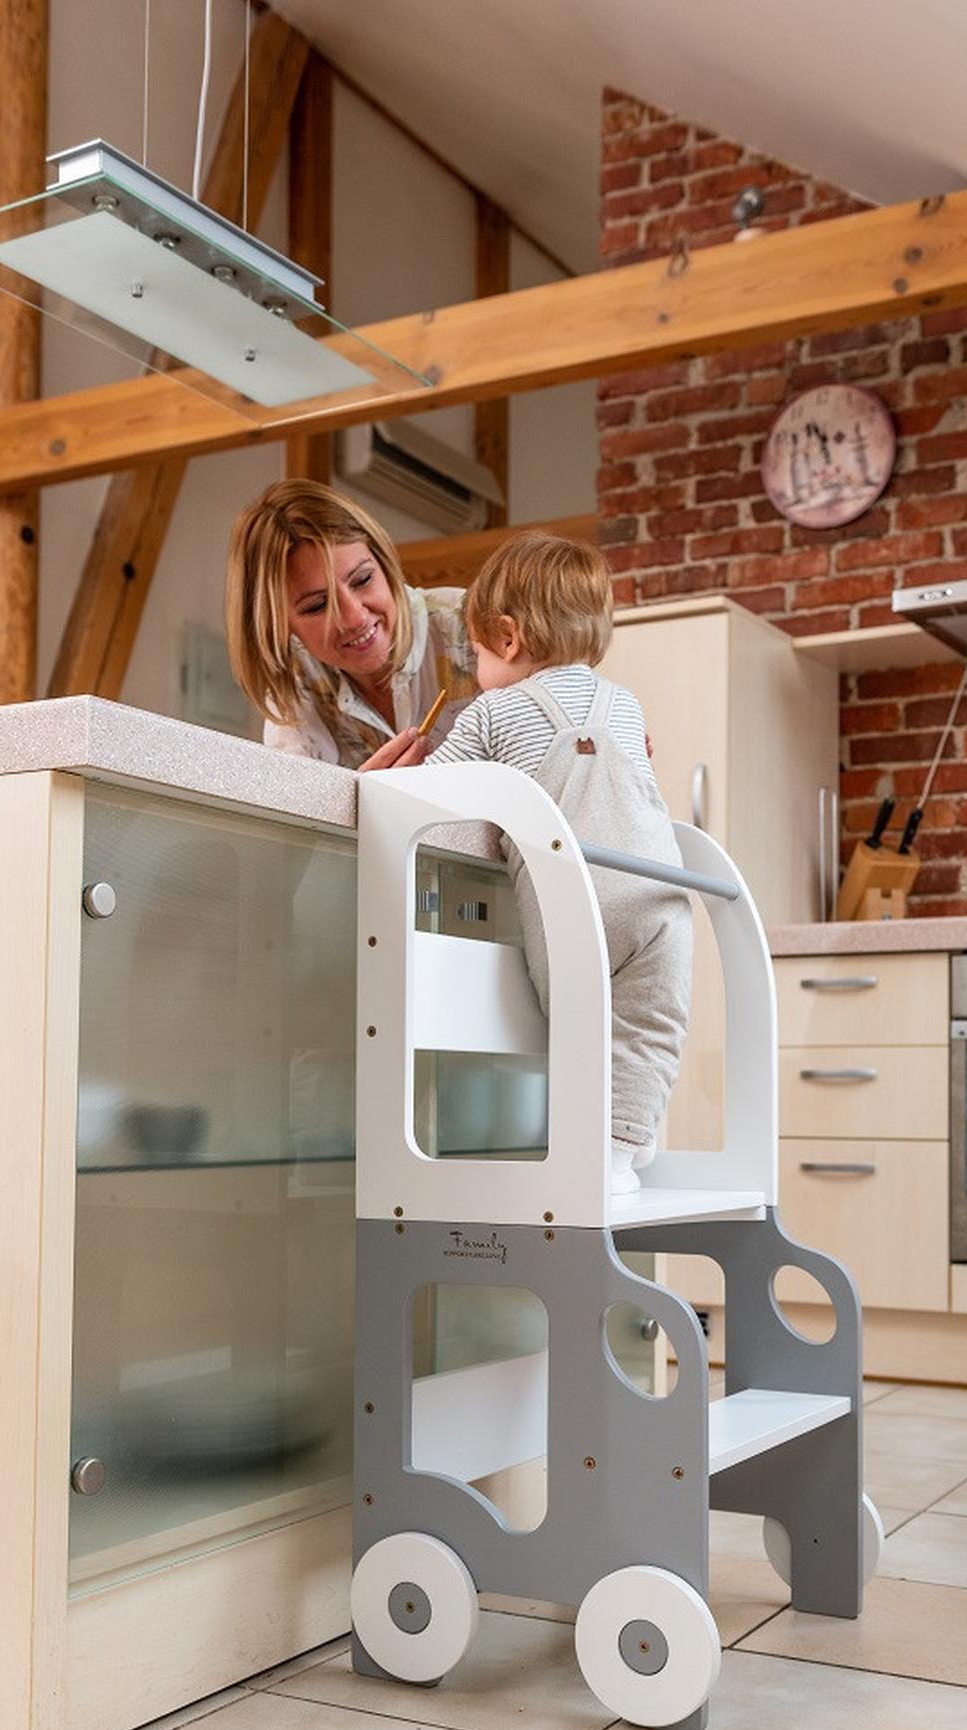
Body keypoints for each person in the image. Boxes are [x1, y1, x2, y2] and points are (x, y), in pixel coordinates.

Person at [426, 532, 692, 1194]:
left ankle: (599, 1158)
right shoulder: (625, 705)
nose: (477, 666)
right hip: (662, 896)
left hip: (576, 901)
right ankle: (629, 1136)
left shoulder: (491, 710)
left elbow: (431, 797)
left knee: (576, 1026)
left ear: (508, 639)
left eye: (477, 651)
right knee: (649, 1023)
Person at [225, 478, 478, 768]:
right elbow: (297, 808)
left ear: (383, 562)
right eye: (317, 606)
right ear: (279, 626)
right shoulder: (295, 685)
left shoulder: (472, 624)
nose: (355, 617)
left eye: (363, 580)